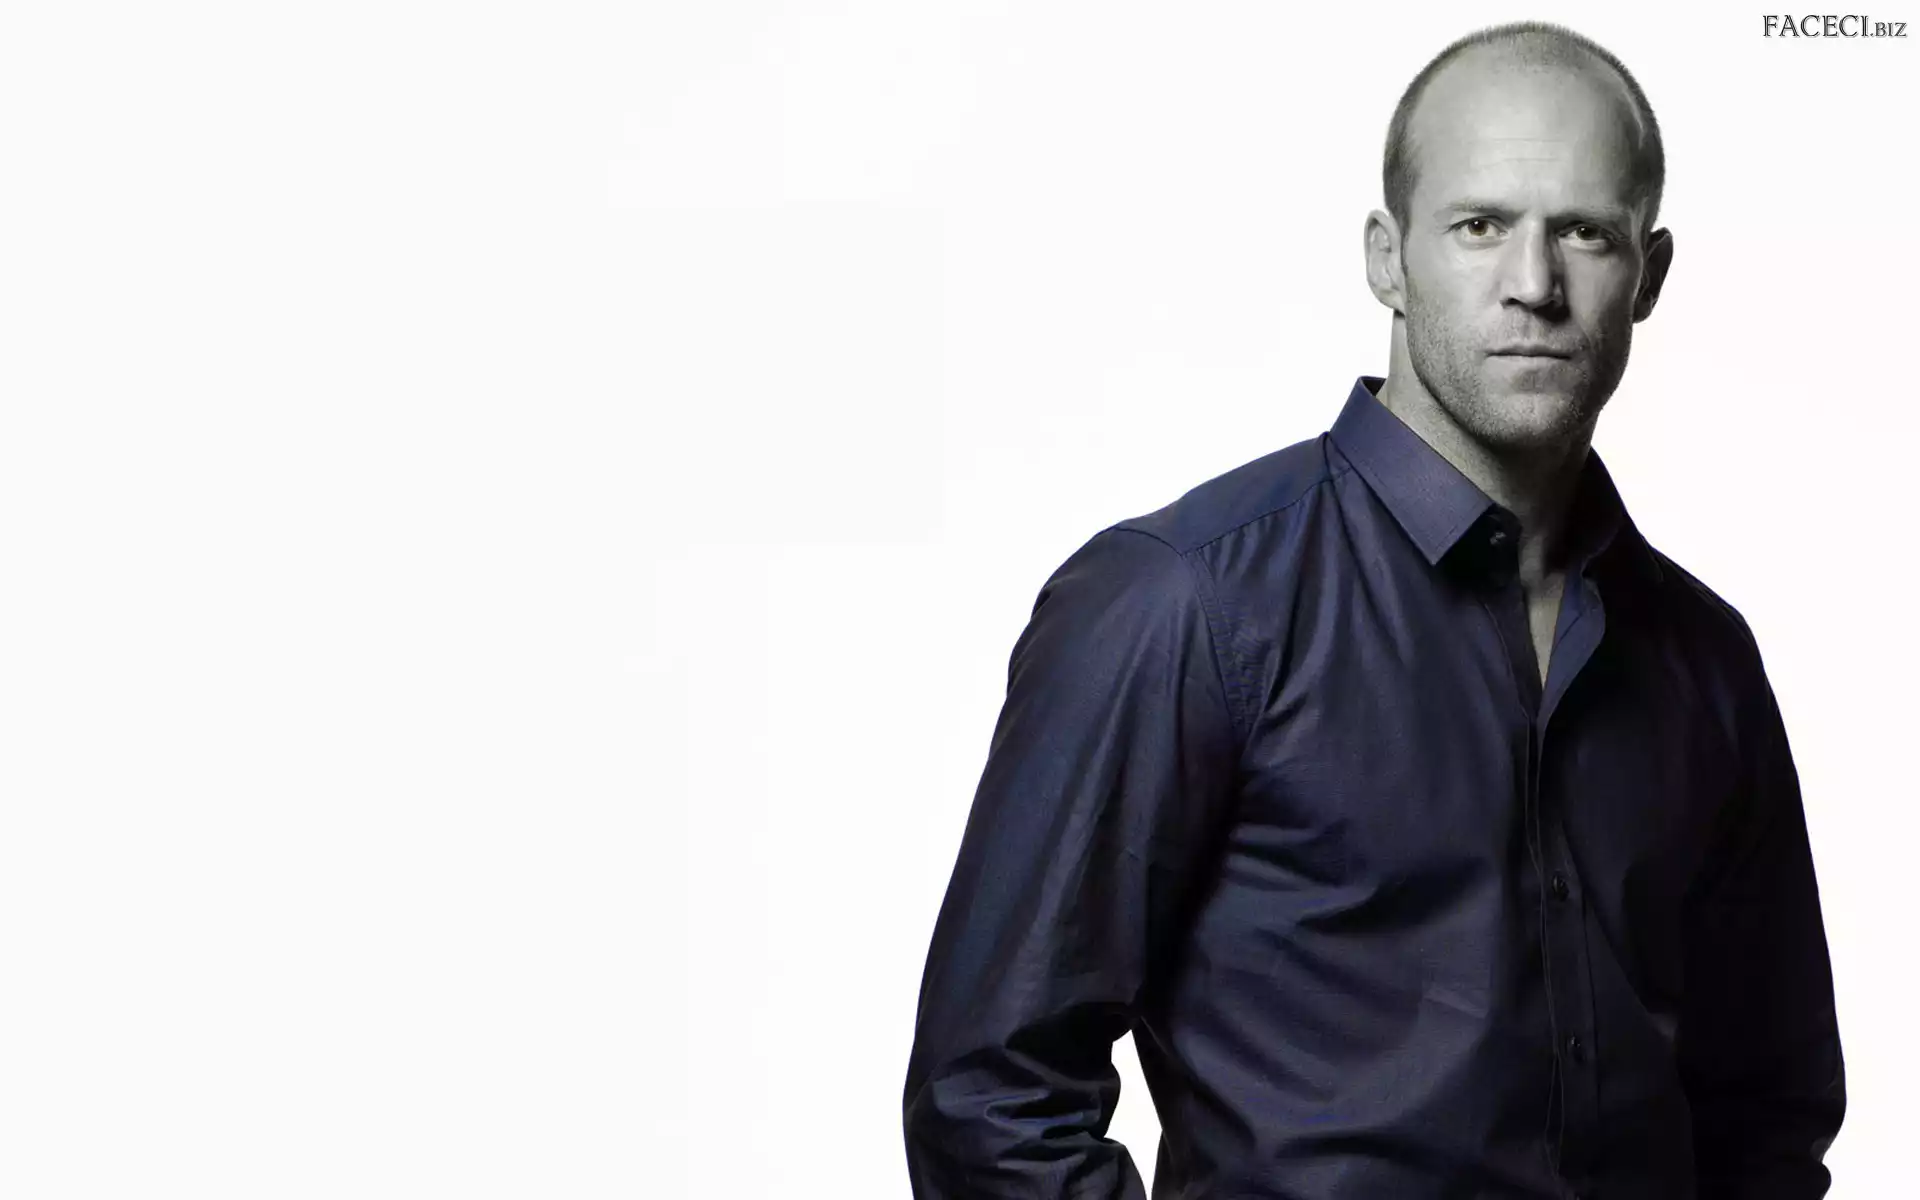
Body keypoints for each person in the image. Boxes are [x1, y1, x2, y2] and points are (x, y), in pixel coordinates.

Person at [900, 19, 1846, 1200]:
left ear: (1648, 276)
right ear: (1388, 260)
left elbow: (1766, 1119)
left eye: (1585, 233)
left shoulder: (1705, 659)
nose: (1535, 284)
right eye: (1480, 225)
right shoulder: (1185, 600)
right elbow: (988, 1100)